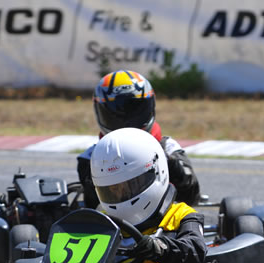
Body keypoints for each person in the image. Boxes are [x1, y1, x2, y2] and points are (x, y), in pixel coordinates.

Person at [90, 127, 207, 263]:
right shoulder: (100, 217)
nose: (120, 195)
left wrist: (160, 248)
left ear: (156, 172)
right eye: (112, 190)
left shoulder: (180, 215)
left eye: (128, 187)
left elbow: (195, 252)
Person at [78, 70, 201, 209]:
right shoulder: (90, 158)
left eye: (134, 111)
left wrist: (167, 162)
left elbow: (191, 194)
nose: (127, 122)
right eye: (117, 114)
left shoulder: (167, 147)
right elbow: (92, 202)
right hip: (109, 221)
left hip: (162, 221)